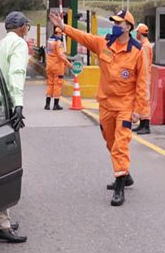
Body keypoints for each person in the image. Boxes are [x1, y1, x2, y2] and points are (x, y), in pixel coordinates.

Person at [49, 10, 148, 206]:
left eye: (119, 23)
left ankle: (120, 186)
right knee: (110, 141)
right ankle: (125, 174)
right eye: (114, 22)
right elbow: (84, 38)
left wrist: (140, 111)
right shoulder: (105, 43)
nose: (115, 26)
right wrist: (64, 28)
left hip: (126, 106)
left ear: (128, 27)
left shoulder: (137, 51)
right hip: (106, 104)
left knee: (120, 144)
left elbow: (143, 83)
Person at [0, 11, 30, 243]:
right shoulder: (19, 44)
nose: (27, 31)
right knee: (5, 165)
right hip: (4, 109)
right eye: (27, 27)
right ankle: (2, 224)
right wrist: (18, 105)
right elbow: (17, 74)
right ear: (22, 27)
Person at [45, 27, 71, 110]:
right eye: (61, 34)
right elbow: (61, 55)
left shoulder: (49, 40)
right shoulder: (58, 42)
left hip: (49, 65)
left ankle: (47, 104)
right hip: (57, 66)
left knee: (50, 84)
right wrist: (68, 64)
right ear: (58, 33)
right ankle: (56, 105)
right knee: (57, 84)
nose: (61, 36)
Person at [134, 23, 153, 134]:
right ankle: (142, 124)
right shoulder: (145, 45)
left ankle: (146, 126)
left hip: (144, 77)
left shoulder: (145, 46)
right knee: (141, 100)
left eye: (137, 32)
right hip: (143, 77)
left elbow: (145, 64)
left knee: (144, 101)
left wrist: (143, 78)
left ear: (139, 33)